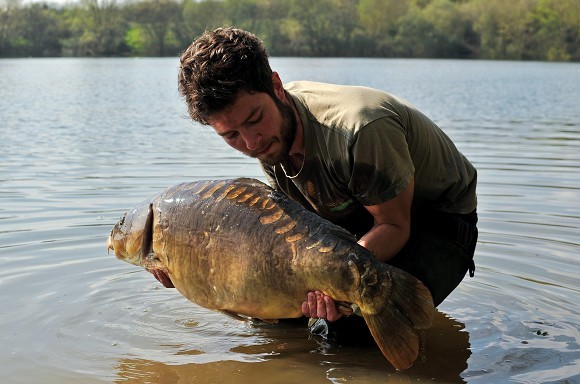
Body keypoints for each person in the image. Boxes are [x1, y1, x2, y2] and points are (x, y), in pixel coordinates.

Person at [177, 27, 478, 343]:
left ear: (276, 87)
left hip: (434, 220)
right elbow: (293, 233)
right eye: (231, 135)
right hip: (355, 217)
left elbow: (394, 225)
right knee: (273, 322)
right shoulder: (268, 138)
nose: (251, 142)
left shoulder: (360, 127)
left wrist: (334, 281)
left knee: (339, 334)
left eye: (254, 120)